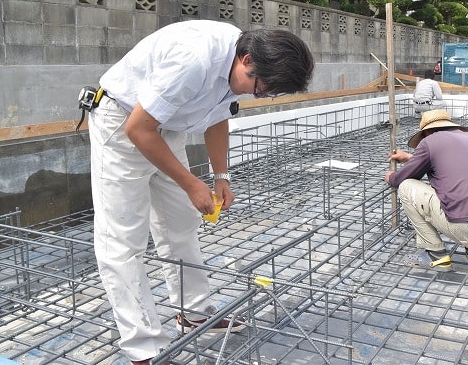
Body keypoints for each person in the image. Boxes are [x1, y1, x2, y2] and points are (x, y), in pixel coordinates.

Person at [86, 20, 314, 364]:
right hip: (121, 123)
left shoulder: (238, 62)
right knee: (122, 242)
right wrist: (191, 182)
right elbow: (138, 128)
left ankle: (195, 312)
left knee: (180, 223)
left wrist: (220, 175)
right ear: (247, 60)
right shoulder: (194, 58)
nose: (258, 95)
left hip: (164, 127)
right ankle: (143, 347)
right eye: (261, 88)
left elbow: (217, 116)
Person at [385, 109, 468, 272]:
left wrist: (391, 177)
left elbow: (402, 178)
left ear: (427, 132)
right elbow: (451, 165)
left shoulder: (430, 141)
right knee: (465, 189)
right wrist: (410, 158)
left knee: (406, 187)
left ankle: (435, 254)